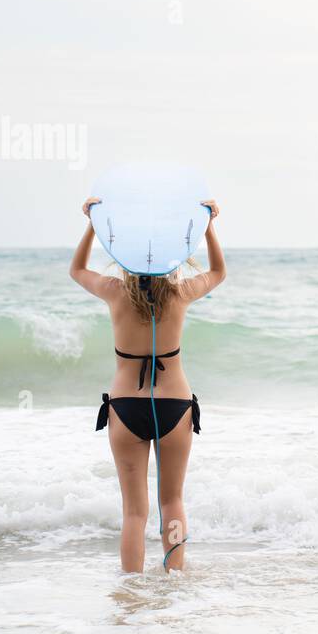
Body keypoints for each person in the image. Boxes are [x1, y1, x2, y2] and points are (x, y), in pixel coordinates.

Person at [69, 196, 225, 572]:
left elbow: (76, 269)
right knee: (172, 502)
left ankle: (131, 591)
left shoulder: (113, 291)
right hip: (175, 407)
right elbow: (219, 271)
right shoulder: (181, 293)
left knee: (134, 512)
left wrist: (92, 222)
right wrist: (210, 225)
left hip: (125, 408)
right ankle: (175, 582)